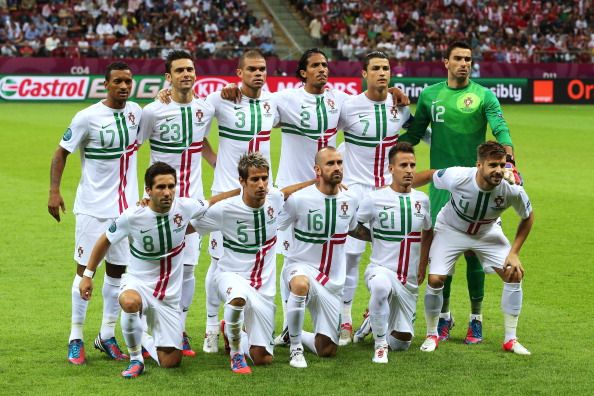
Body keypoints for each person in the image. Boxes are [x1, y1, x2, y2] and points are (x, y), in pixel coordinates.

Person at [399, 41, 522, 344]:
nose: (464, 63)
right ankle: (444, 317)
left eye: (468, 58)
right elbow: (414, 135)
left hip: (478, 185)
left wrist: (512, 161)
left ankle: (476, 318)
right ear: (446, 62)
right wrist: (386, 144)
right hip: (443, 184)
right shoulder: (430, 95)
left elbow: (500, 128)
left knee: (474, 254)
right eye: (458, 58)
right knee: (443, 256)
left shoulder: (483, 96)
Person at [78, 162, 239, 378]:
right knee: (129, 301)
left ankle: (143, 337)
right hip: (139, 285)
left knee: (171, 362)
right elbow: (105, 240)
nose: (167, 192)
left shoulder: (185, 207)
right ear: (148, 191)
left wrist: (243, 190)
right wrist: (87, 276)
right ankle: (136, 360)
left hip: (169, 298)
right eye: (161, 187)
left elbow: (212, 201)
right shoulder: (133, 215)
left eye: (171, 186)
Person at [48, 62, 142, 365]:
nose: (124, 86)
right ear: (106, 84)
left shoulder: (136, 112)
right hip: (92, 209)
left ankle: (106, 334)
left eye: (128, 81)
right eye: (118, 81)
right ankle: (75, 337)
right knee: (84, 272)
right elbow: (61, 152)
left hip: (126, 211)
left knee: (117, 273)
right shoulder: (87, 117)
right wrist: (54, 191)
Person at [190, 152, 315, 374]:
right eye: (254, 179)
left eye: (264, 178)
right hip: (230, 276)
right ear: (242, 182)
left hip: (263, 290)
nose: (261, 185)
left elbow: (285, 192)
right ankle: (236, 355)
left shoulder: (273, 198)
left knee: (263, 358)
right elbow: (189, 225)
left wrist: (317, 181)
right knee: (238, 298)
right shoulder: (225, 209)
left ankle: (230, 331)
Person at [416, 141, 533, 355]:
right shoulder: (458, 176)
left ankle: (510, 339)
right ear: (479, 165)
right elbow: (429, 175)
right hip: (451, 228)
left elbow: (528, 217)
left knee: (514, 274)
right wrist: (395, 189)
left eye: (501, 164)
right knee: (435, 279)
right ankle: (432, 334)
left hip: (487, 232)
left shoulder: (512, 188)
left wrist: (514, 252)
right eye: (492, 165)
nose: (498, 170)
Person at [139, 50, 216, 357]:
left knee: (187, 269)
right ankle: (147, 333)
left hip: (192, 203)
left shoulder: (204, 109)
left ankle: (179, 330)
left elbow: (202, 141)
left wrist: (218, 165)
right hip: (159, 203)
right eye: (180, 70)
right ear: (168, 77)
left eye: (190, 69)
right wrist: (141, 193)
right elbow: (134, 148)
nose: (187, 74)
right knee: (155, 271)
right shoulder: (152, 111)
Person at [201, 49, 278, 354]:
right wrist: (218, 162)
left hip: (261, 193)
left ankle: (245, 325)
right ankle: (210, 327)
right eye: (252, 69)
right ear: (239, 72)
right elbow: (198, 132)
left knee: (257, 256)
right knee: (219, 260)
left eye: (262, 69)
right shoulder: (221, 99)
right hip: (228, 194)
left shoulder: (273, 102)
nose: (258, 74)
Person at [337, 51, 413, 345]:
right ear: (363, 74)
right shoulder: (349, 106)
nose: (382, 73)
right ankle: (345, 320)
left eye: (386, 68)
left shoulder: (400, 108)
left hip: (388, 193)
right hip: (356, 191)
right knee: (351, 256)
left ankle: (375, 311)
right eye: (376, 68)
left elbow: (420, 132)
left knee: (393, 258)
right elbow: (326, 136)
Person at [278, 147, 370, 368]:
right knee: (300, 285)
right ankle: (295, 349)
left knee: (327, 350)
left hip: (331, 283)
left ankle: (293, 332)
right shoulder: (299, 200)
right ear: (317, 170)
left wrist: (383, 238)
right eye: (330, 164)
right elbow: (273, 221)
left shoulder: (350, 199)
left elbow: (353, 228)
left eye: (339, 162)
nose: (337, 167)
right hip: (300, 268)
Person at [353, 142, 433, 363]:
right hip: (381, 269)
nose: (409, 170)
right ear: (391, 169)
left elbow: (428, 232)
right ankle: (380, 347)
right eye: (403, 165)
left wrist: (422, 264)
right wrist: (375, 237)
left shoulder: (422, 200)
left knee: (402, 343)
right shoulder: (374, 199)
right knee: (380, 286)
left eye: (412, 165)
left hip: (408, 280)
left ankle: (373, 319)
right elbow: (354, 226)